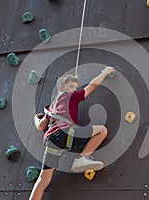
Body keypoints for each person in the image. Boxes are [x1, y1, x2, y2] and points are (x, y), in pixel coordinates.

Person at [29, 66, 115, 200]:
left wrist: (35, 117)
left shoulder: (51, 108)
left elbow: (41, 126)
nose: (74, 90)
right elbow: (91, 87)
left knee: (43, 179)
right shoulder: (71, 97)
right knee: (102, 131)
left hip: (51, 141)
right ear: (61, 88)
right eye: (71, 86)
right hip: (65, 134)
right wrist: (104, 73)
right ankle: (82, 159)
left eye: (75, 87)